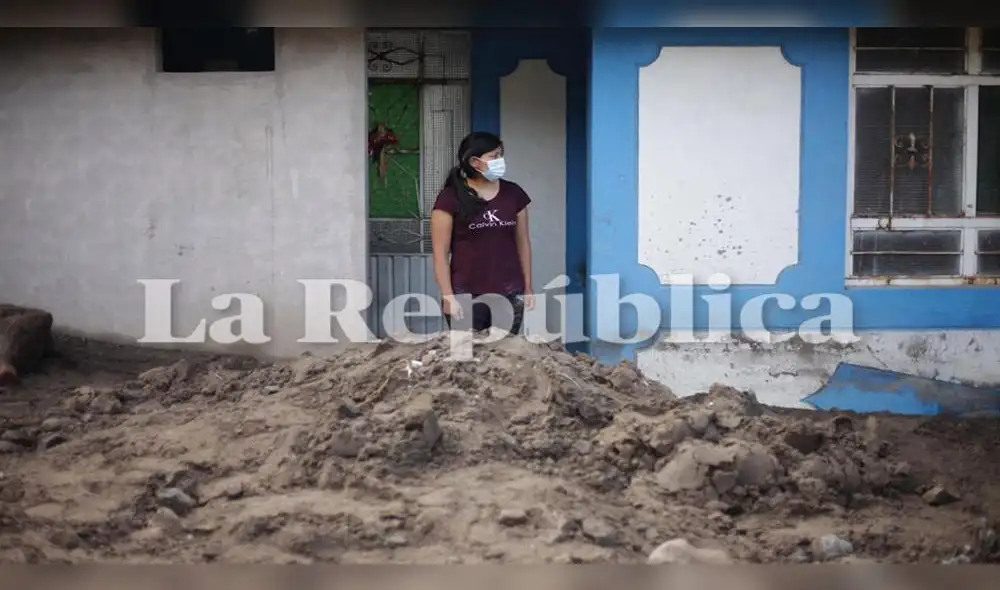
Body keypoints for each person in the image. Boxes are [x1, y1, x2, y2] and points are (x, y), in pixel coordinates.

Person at [430, 131, 535, 334]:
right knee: (465, 357)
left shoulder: (514, 195)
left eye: (500, 155)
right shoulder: (450, 199)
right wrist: (448, 296)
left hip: (510, 292)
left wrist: (528, 286)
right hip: (466, 294)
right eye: (494, 156)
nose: (500, 161)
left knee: (504, 357)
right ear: (475, 162)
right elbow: (440, 254)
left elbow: (523, 243)